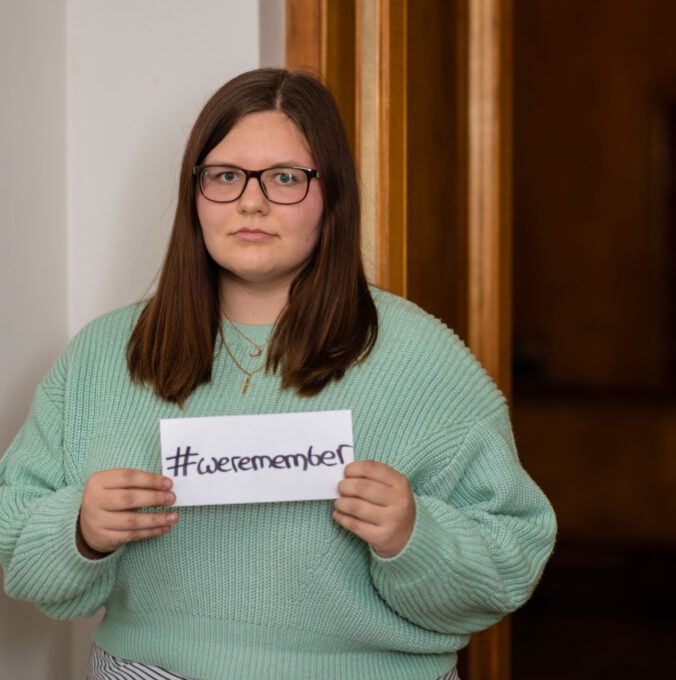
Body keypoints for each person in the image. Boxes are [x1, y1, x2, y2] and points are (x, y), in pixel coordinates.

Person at [0, 68, 556, 680]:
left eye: (286, 178)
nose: (251, 201)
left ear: (333, 195)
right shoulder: (102, 357)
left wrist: (412, 535)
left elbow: (511, 558)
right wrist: (80, 531)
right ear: (195, 193)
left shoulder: (426, 360)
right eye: (225, 176)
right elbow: (16, 540)